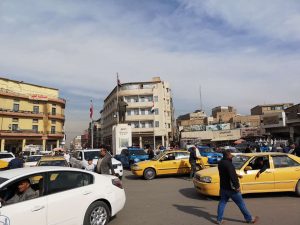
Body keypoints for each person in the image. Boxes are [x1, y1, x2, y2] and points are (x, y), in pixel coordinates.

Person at [217, 150, 258, 224]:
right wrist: (237, 186)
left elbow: (227, 173)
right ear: (227, 155)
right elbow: (232, 177)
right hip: (231, 189)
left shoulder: (221, 163)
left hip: (223, 187)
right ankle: (249, 219)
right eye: (230, 155)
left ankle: (219, 220)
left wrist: (237, 175)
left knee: (222, 203)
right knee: (241, 204)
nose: (231, 156)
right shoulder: (229, 164)